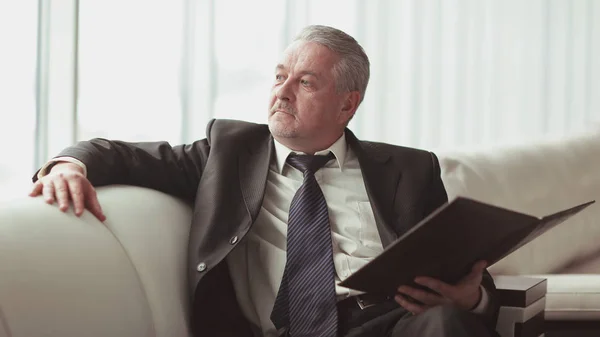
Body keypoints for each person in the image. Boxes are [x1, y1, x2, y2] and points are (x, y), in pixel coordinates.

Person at [30, 25, 499, 337]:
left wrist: (472, 297)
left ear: (347, 104)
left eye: (306, 82)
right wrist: (68, 165)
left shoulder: (412, 170)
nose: (282, 91)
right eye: (279, 77)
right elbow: (122, 155)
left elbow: (463, 268)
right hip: (276, 328)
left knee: (446, 323)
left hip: (383, 323)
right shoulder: (227, 150)